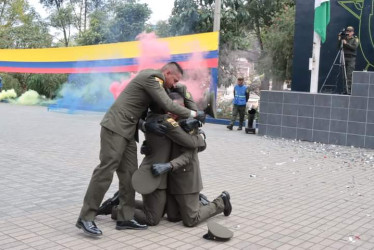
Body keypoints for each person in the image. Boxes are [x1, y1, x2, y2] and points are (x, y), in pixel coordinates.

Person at [76, 62, 205, 237]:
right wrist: (194, 114)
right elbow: (167, 104)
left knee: (129, 174)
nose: (174, 84)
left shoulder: (159, 85)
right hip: (116, 127)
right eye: (174, 80)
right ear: (167, 72)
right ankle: (85, 217)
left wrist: (183, 92)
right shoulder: (152, 77)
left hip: (128, 131)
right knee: (106, 170)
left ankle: (125, 217)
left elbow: (154, 110)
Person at [339, 26, 359, 94]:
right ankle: (345, 90)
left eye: (350, 31)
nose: (348, 33)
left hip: (351, 58)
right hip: (344, 57)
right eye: (347, 31)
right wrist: (340, 39)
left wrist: (346, 43)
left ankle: (349, 91)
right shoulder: (344, 38)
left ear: (353, 32)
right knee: (344, 74)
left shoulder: (355, 39)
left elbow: (354, 47)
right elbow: (338, 47)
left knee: (349, 75)